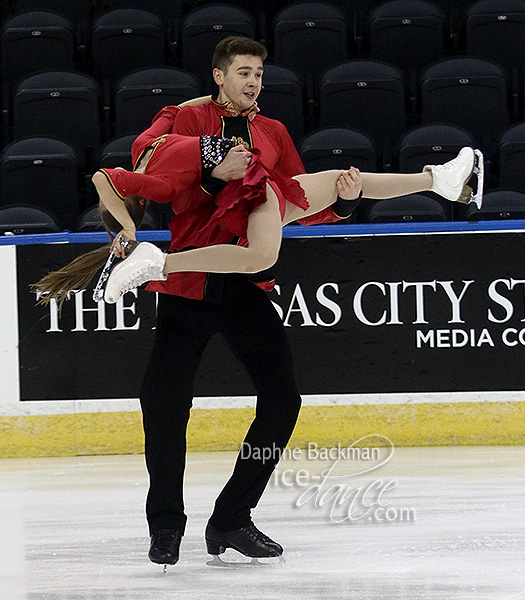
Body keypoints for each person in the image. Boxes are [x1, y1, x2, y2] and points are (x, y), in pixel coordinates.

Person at [34, 37, 482, 568]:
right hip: (191, 282)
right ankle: (166, 525)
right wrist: (188, 173)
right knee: (163, 404)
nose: (253, 82)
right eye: (244, 72)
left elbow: (295, 198)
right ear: (219, 75)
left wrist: (338, 194)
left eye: (260, 74)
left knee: (282, 399)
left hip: (245, 286)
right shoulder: (182, 117)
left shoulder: (273, 132)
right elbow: (142, 163)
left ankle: (231, 517)